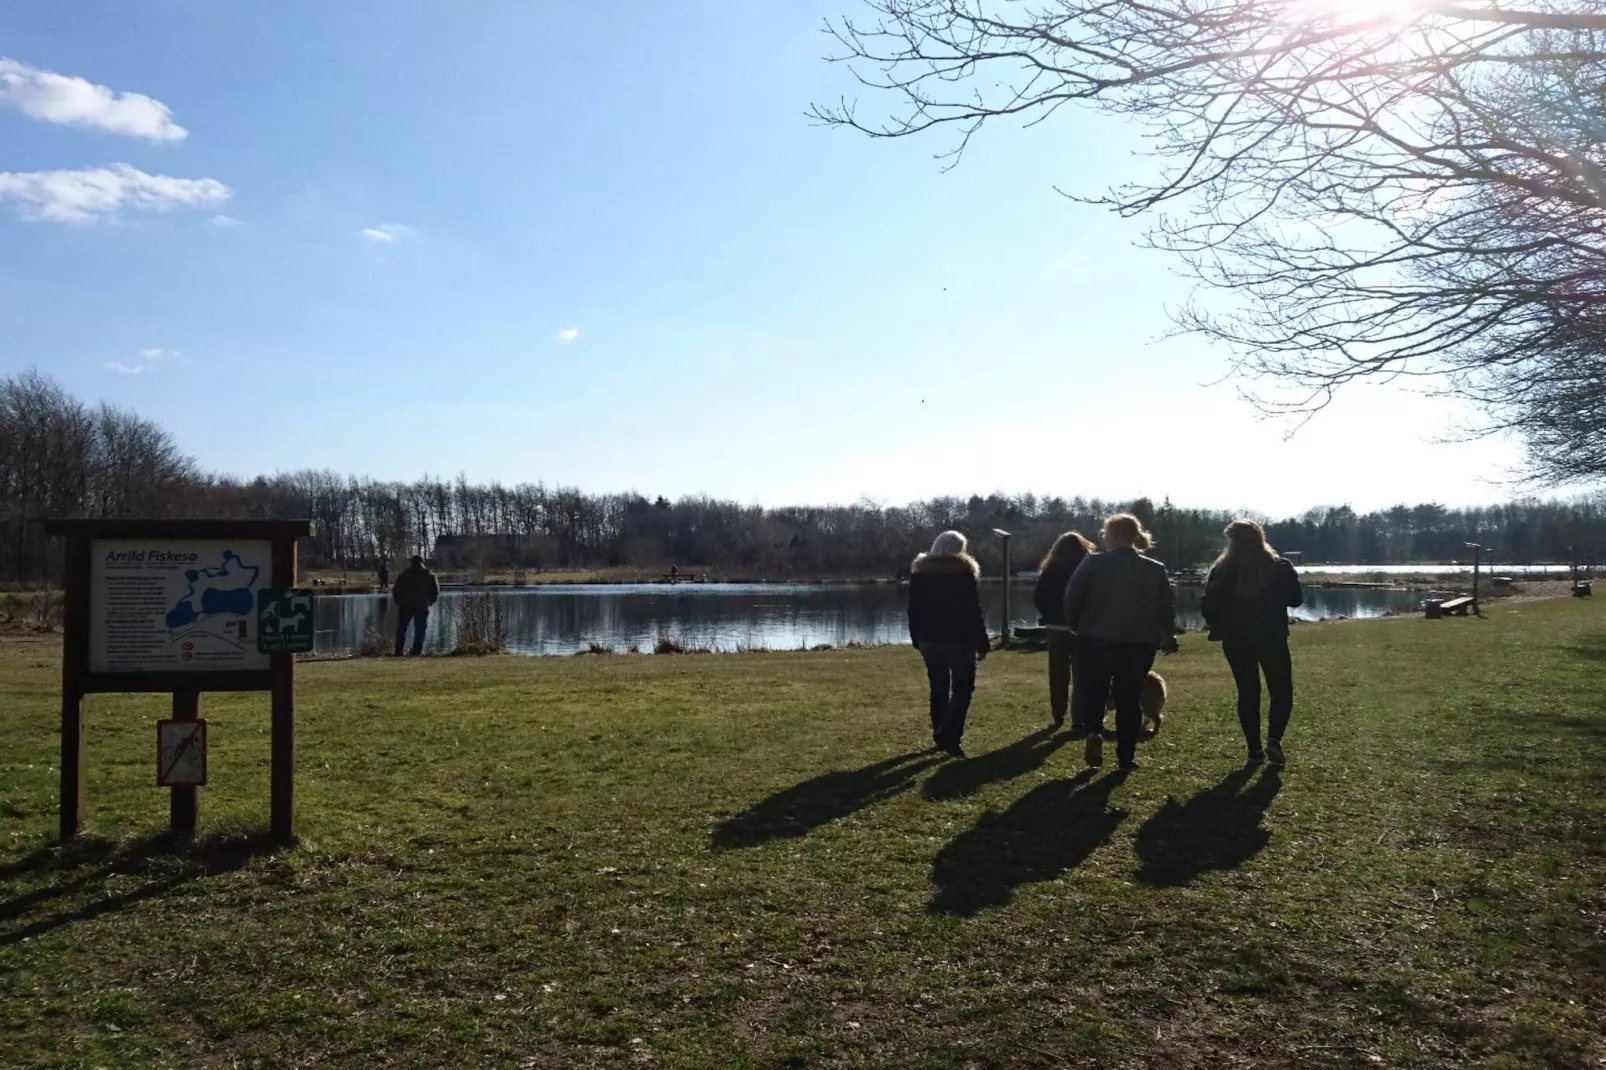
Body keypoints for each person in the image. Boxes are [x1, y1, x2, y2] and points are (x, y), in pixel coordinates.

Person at [1064, 513, 1177, 770]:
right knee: (1129, 697)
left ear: (1113, 536)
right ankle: (1126, 756)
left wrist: (1077, 625)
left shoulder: (1092, 563)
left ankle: (1094, 732)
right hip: (1139, 642)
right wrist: (1168, 635)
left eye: (1105, 535)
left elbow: (1071, 597)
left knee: (1095, 690)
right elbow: (1166, 607)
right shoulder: (1154, 569)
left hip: (1096, 638)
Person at [1201, 520, 1304, 766]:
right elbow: (1296, 600)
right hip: (1272, 637)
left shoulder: (1222, 570)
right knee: (1281, 691)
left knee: (1248, 692)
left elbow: (1208, 606)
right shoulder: (1279, 566)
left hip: (1236, 640)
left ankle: (1254, 750)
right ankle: (1274, 739)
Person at [907, 530, 991, 758]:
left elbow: (913, 609)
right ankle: (951, 734)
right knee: (963, 687)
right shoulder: (963, 572)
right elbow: (973, 611)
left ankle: (939, 729)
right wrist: (982, 642)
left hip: (928, 638)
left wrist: (915, 636)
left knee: (938, 684)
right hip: (959, 638)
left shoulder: (920, 572)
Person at [1033, 531, 1096, 731]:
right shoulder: (1088, 570)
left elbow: (1039, 598)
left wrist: (1049, 615)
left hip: (1056, 627)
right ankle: (1078, 718)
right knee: (1082, 674)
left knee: (1058, 674)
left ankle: (1058, 715)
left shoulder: (1050, 571)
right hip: (1083, 627)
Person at [392, 555, 440, 656]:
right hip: (422, 605)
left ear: (412, 563)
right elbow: (435, 592)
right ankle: (416, 651)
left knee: (402, 629)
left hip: (405, 605)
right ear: (422, 562)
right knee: (420, 630)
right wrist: (430, 602)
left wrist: (398, 601)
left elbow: (396, 591)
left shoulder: (404, 575)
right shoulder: (430, 575)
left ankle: (398, 651)